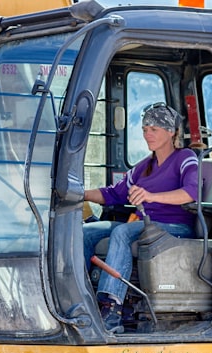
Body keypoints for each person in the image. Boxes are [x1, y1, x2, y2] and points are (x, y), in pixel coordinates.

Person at [82, 102, 200, 331]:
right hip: (144, 223)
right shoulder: (143, 167)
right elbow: (113, 194)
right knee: (86, 232)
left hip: (175, 227)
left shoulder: (186, 158)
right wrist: (80, 194)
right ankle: (81, 296)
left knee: (122, 232)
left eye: (154, 129)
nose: (148, 134)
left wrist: (151, 196)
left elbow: (191, 193)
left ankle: (110, 309)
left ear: (171, 132)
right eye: (145, 129)